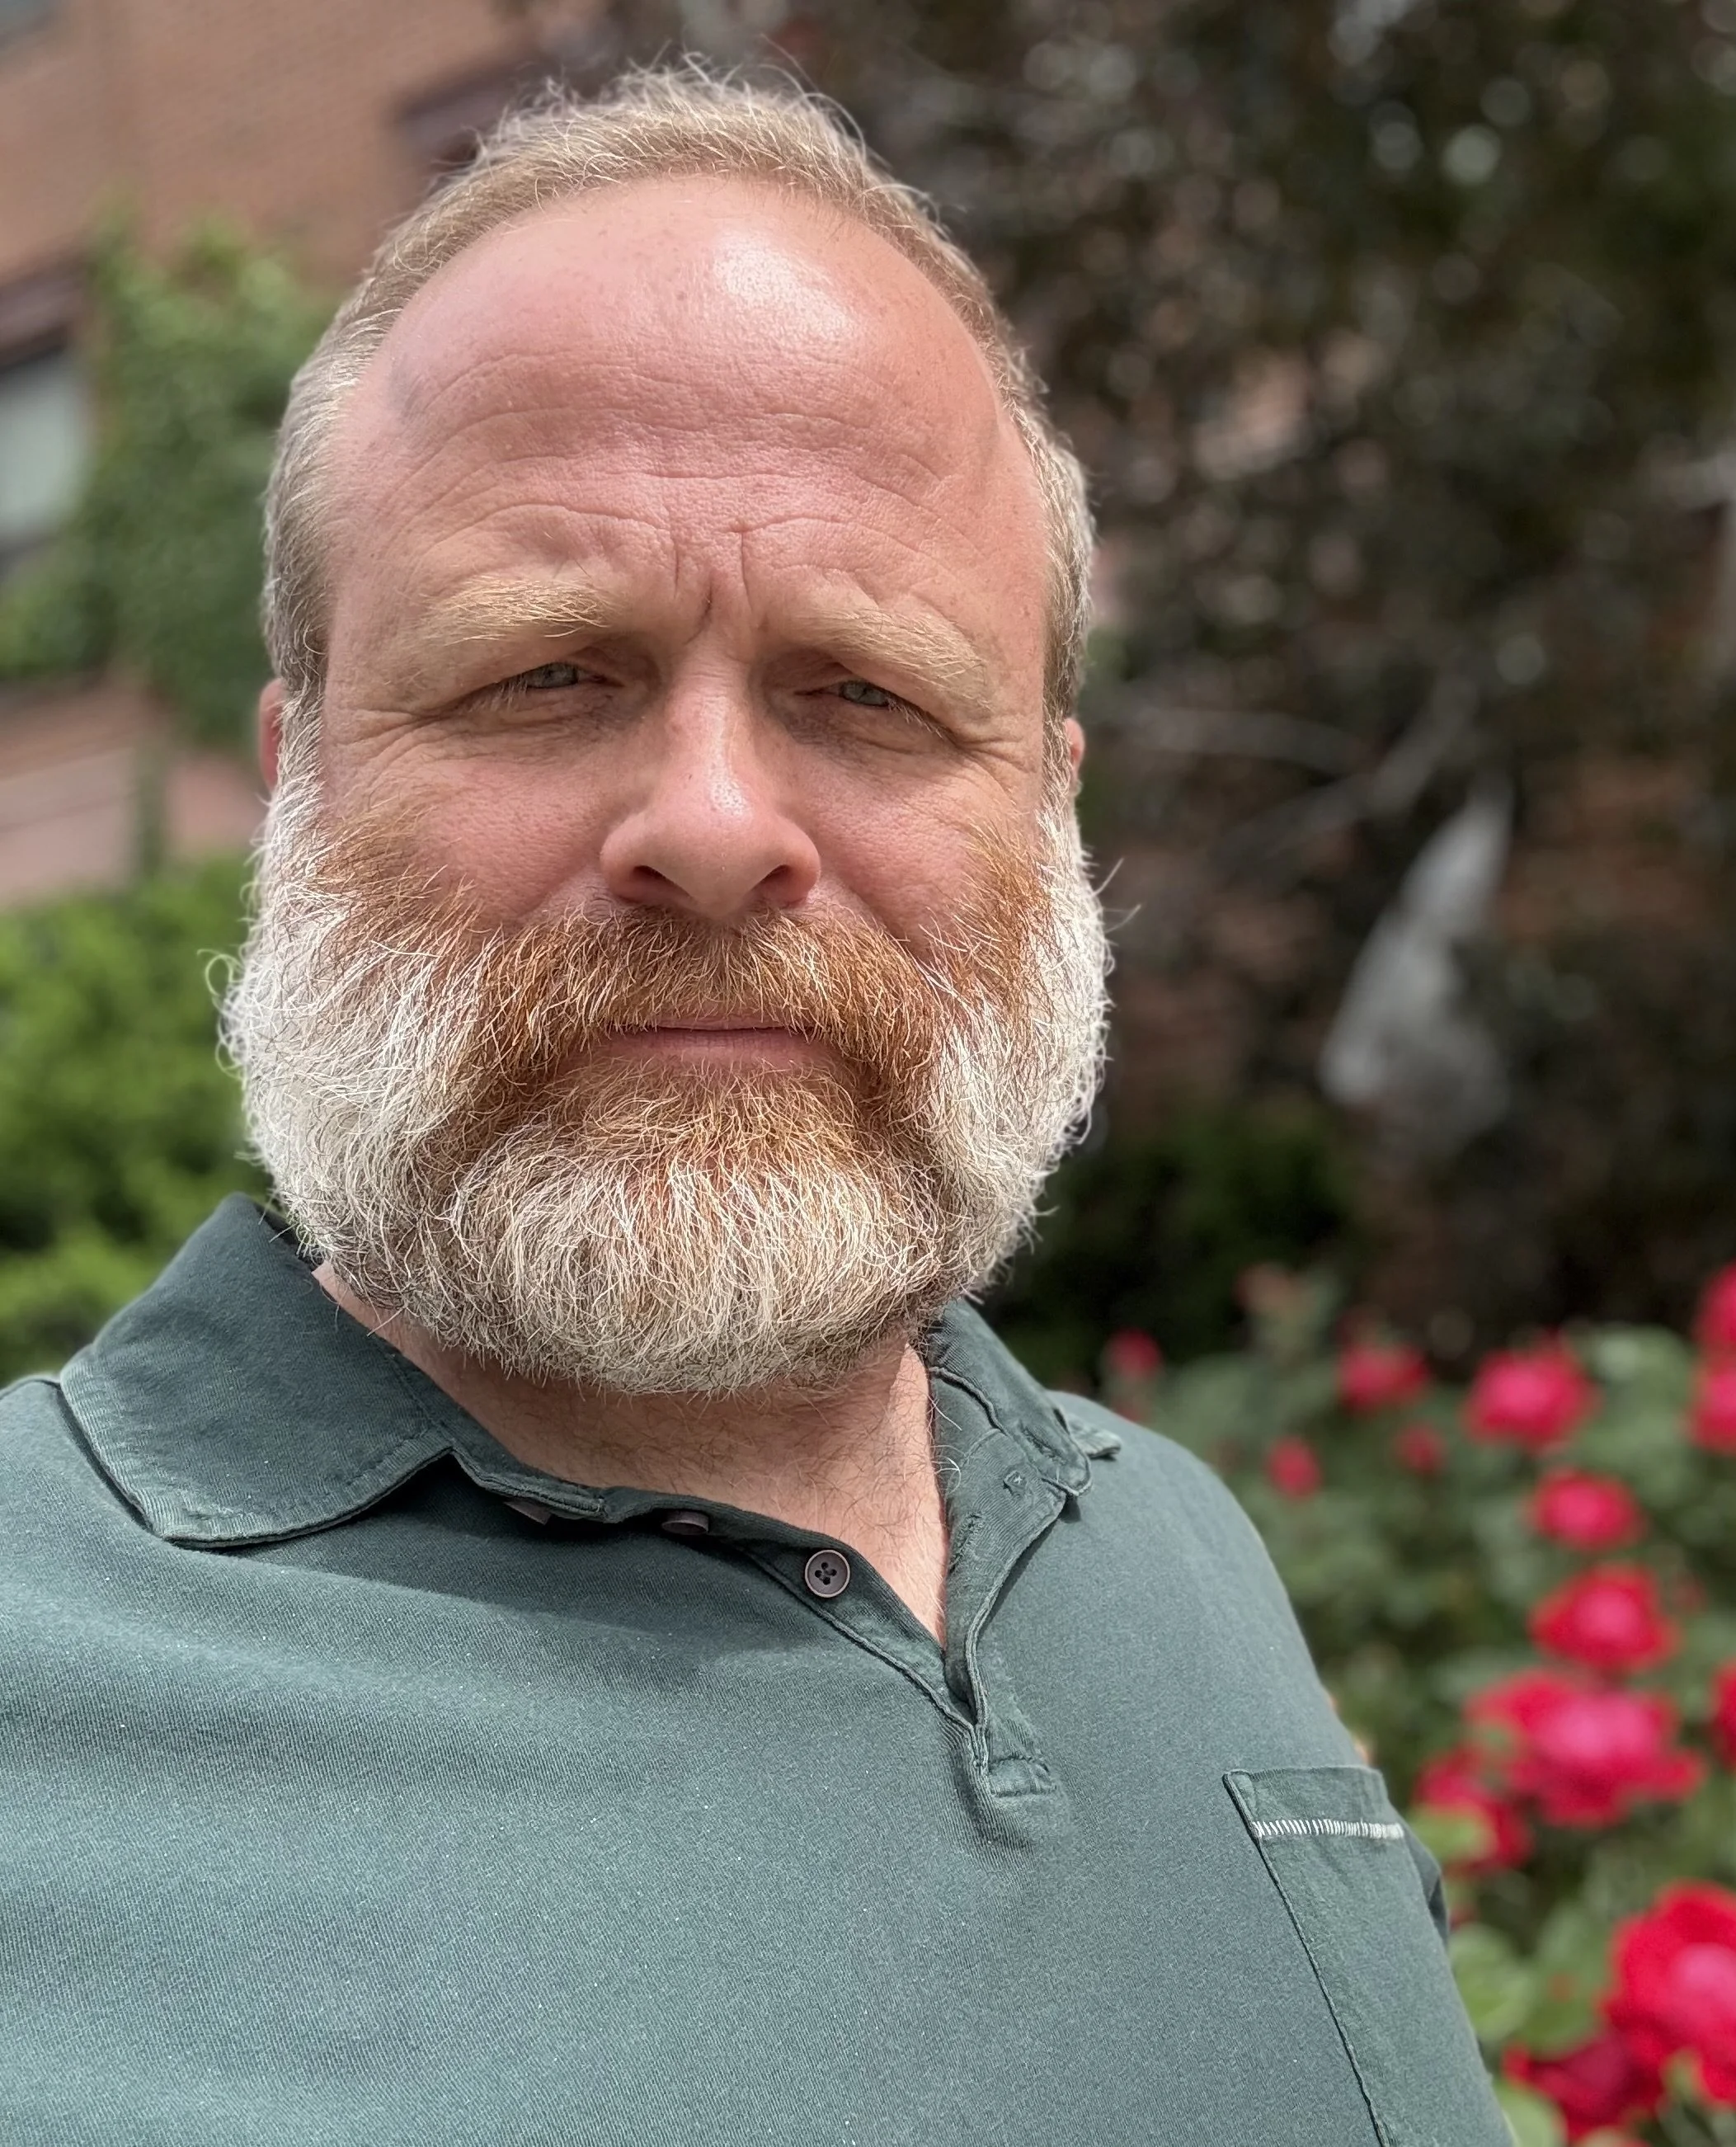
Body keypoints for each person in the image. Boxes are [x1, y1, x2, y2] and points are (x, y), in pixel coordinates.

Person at [0, 71, 1506, 2146]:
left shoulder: (1168, 1543)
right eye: (547, 673)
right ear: (297, 775)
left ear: (1050, 804)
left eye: (869, 693)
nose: (712, 828)